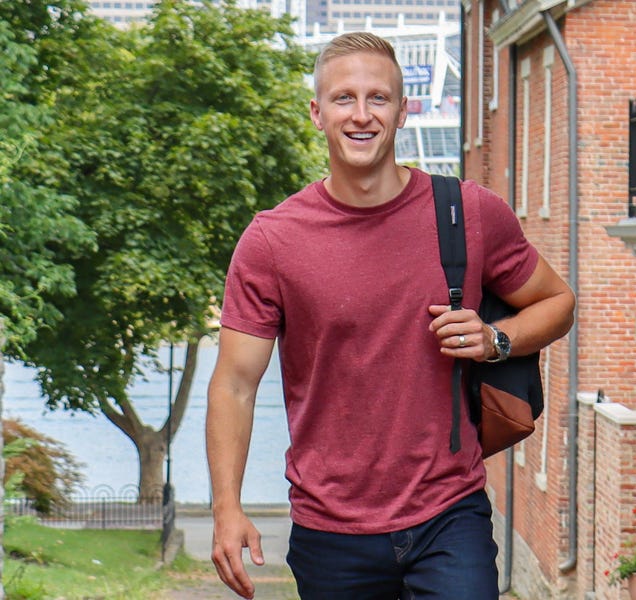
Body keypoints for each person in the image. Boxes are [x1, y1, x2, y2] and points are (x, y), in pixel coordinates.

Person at [206, 32, 575, 599]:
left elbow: (558, 302)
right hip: (330, 531)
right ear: (317, 112)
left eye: (378, 98)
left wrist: (495, 339)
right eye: (343, 98)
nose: (361, 115)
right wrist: (227, 508)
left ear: (404, 111)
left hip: (449, 514)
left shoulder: (469, 213)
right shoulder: (272, 241)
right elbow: (233, 384)